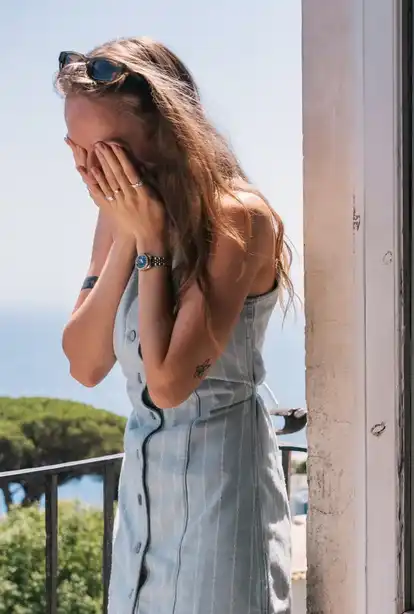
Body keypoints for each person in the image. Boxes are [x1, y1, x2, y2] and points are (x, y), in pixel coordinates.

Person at [57, 37, 294, 614]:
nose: (87, 170)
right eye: (74, 149)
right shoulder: (117, 216)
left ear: (166, 131)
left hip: (221, 501)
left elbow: (167, 383)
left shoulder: (240, 219)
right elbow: (85, 363)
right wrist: (126, 234)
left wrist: (152, 242)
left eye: (104, 151)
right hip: (143, 508)